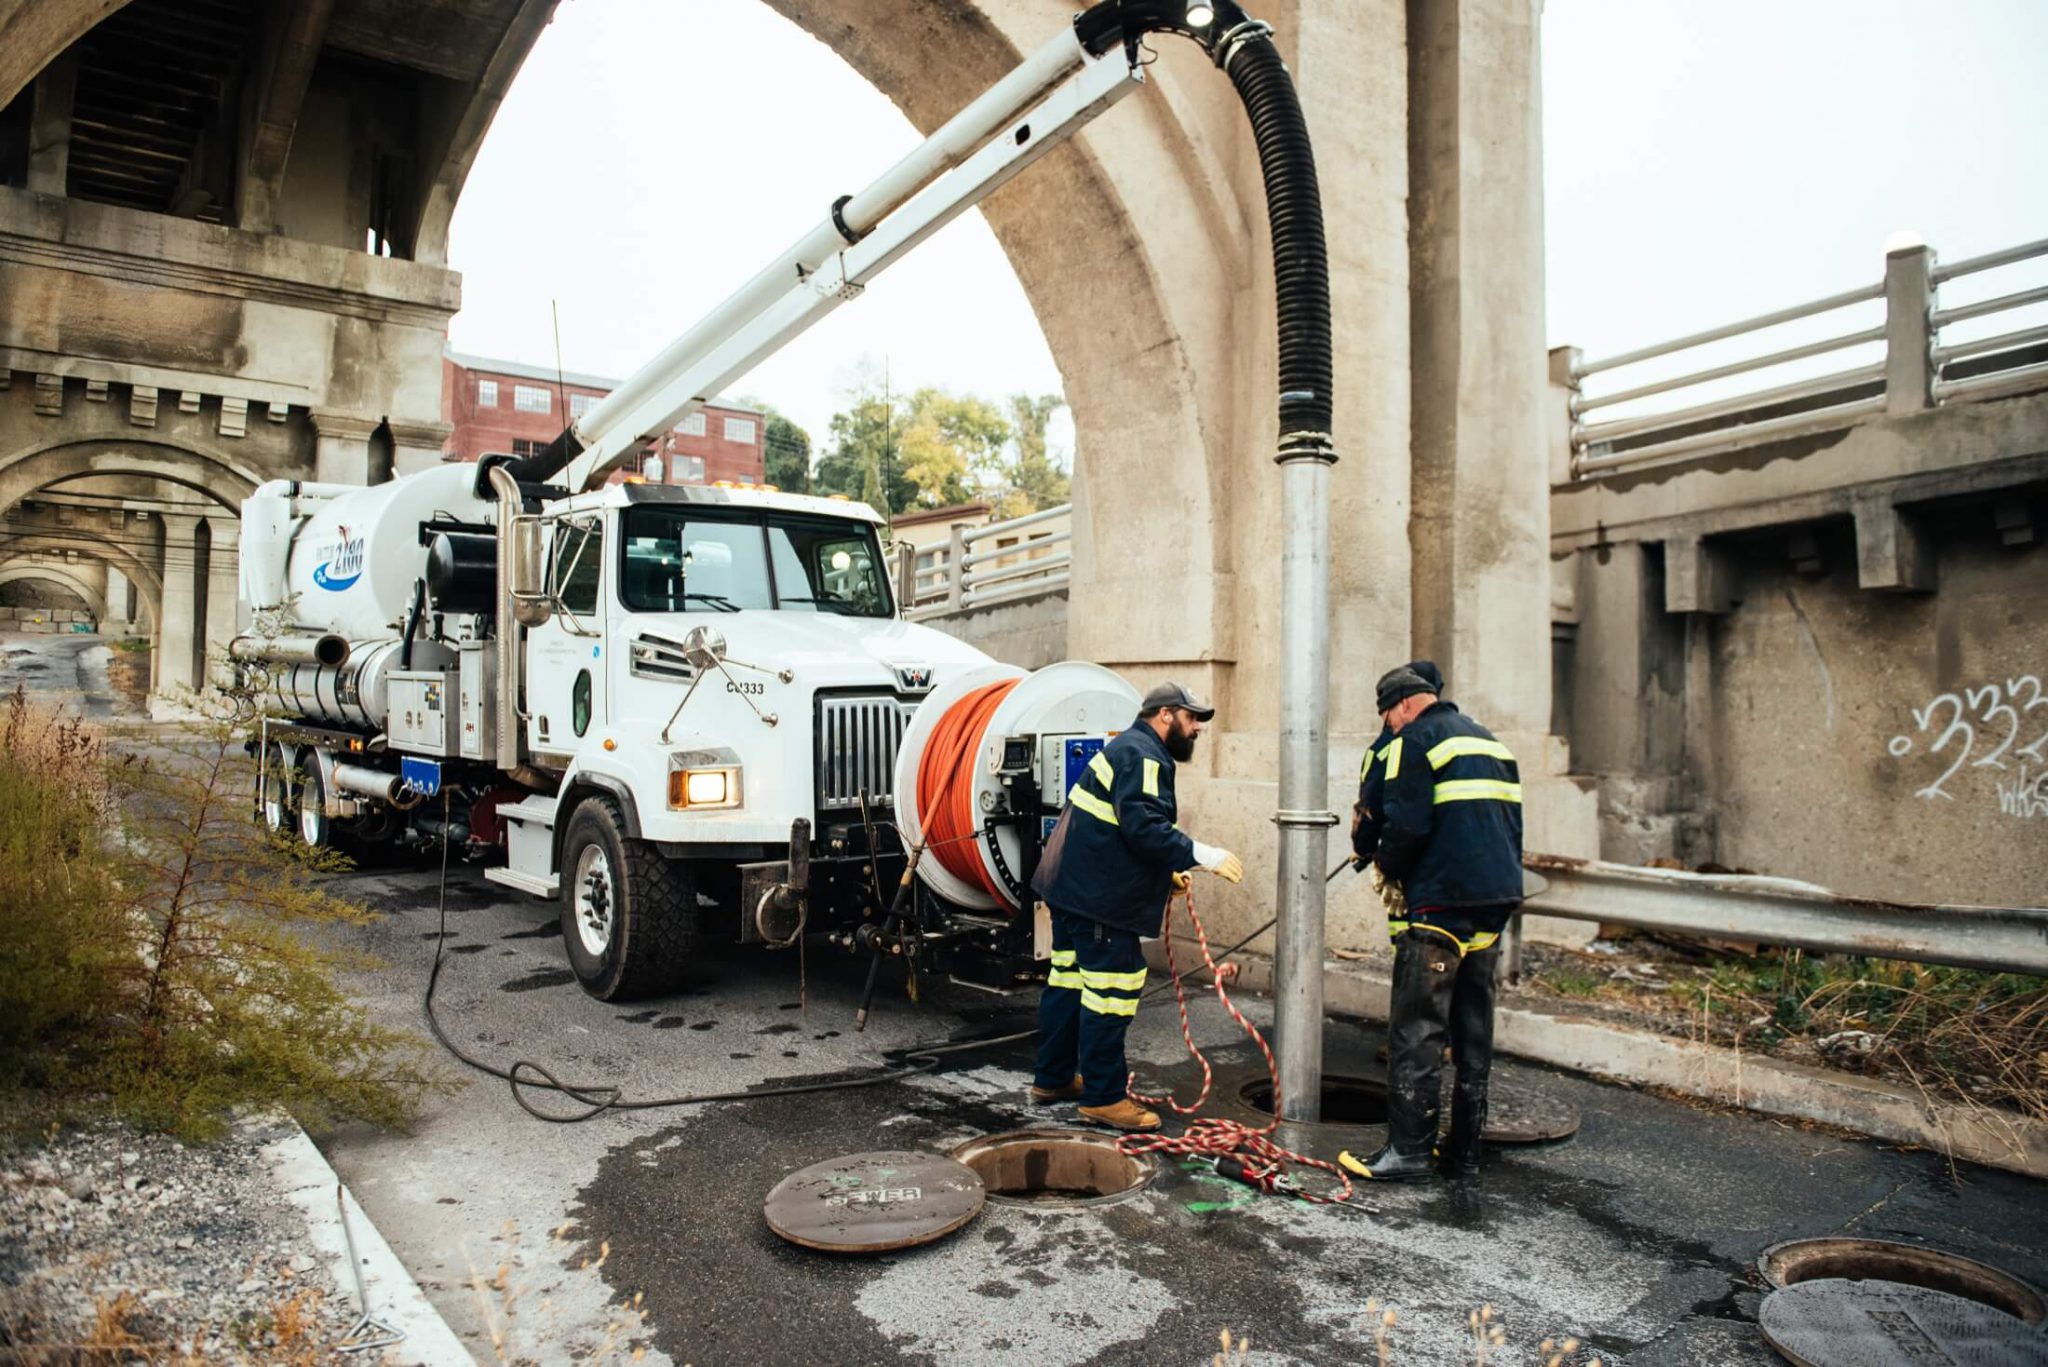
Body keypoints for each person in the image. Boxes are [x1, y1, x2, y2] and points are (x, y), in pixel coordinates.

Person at [1029, 682, 1246, 1131]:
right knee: (1111, 992)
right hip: (1097, 901)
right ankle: (1104, 1099)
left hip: (1070, 889)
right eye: (1191, 718)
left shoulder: (1127, 748)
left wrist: (1163, 874)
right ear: (1165, 714)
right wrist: (1203, 855)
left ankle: (1052, 1078)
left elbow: (1118, 827)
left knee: (1069, 983)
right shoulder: (1146, 755)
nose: (1197, 729)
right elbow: (1143, 826)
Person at [1339, 665, 1523, 1182]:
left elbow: (1409, 824)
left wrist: (1389, 867)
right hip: (1495, 900)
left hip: (1441, 902)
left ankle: (1409, 1152)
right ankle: (1462, 1152)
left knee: (1417, 1027)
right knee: (1472, 1027)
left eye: (1387, 716)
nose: (1389, 727)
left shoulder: (1412, 740)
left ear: (1400, 706)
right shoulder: (1490, 742)